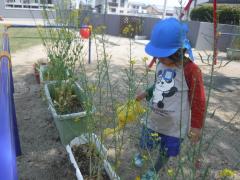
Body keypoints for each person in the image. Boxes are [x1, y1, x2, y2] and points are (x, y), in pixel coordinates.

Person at [135, 18, 206, 179]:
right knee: (146, 142)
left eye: (162, 56)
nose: (159, 59)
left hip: (174, 126)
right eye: (157, 55)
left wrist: (196, 127)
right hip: (154, 118)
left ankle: (154, 170)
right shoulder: (161, 64)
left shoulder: (191, 71)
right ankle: (141, 155)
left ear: (177, 52)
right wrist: (146, 93)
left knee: (165, 152)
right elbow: (158, 85)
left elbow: (199, 101)